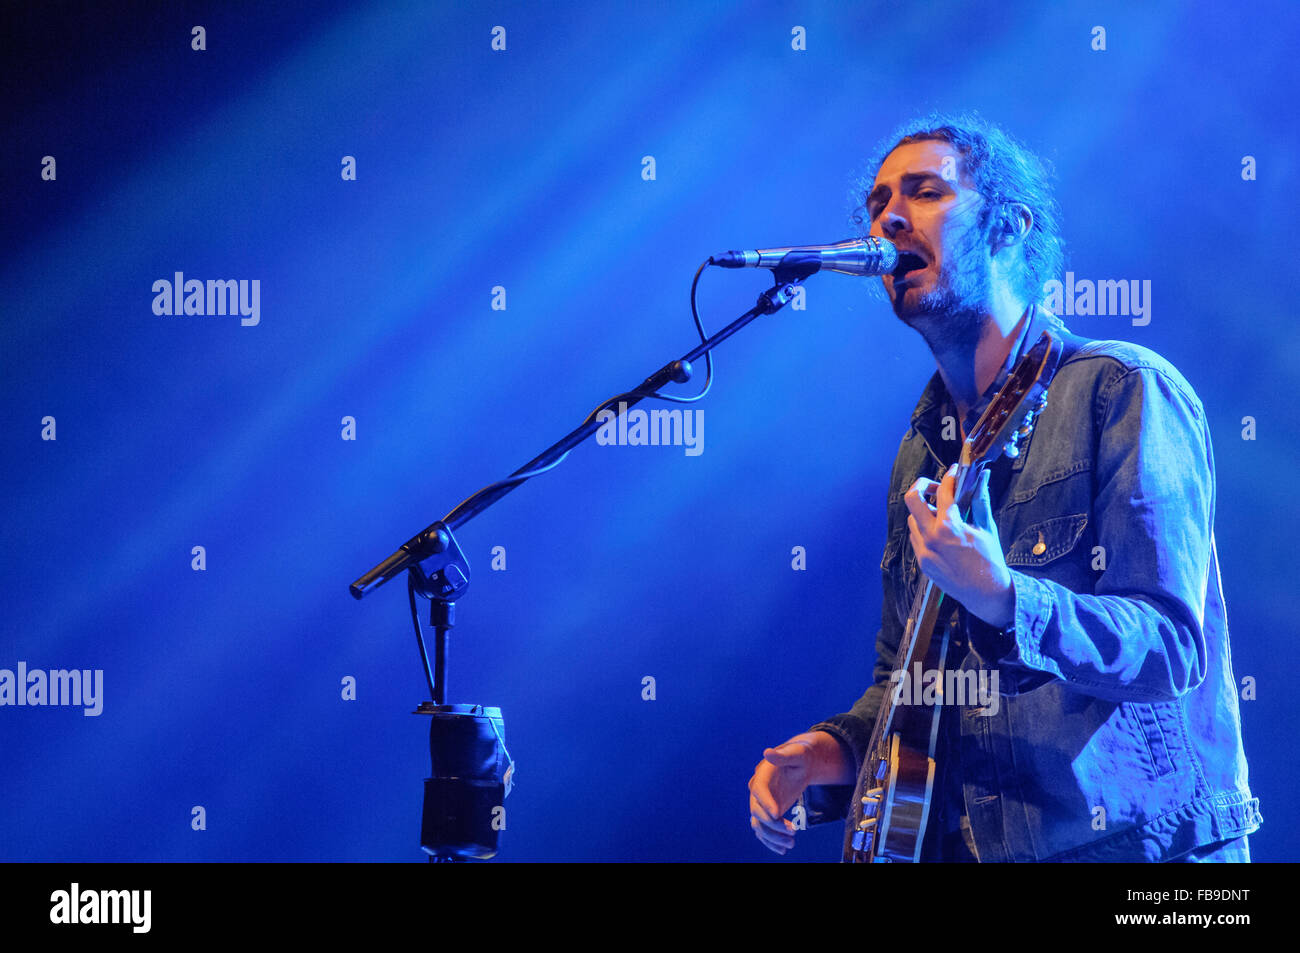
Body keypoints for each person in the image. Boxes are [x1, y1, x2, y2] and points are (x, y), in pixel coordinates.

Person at [747, 114, 1261, 862]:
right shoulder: (920, 455)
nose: (888, 217)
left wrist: (1007, 599)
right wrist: (825, 754)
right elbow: (908, 686)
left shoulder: (1121, 389)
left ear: (1007, 228)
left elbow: (1174, 646)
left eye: (924, 192)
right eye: (879, 202)